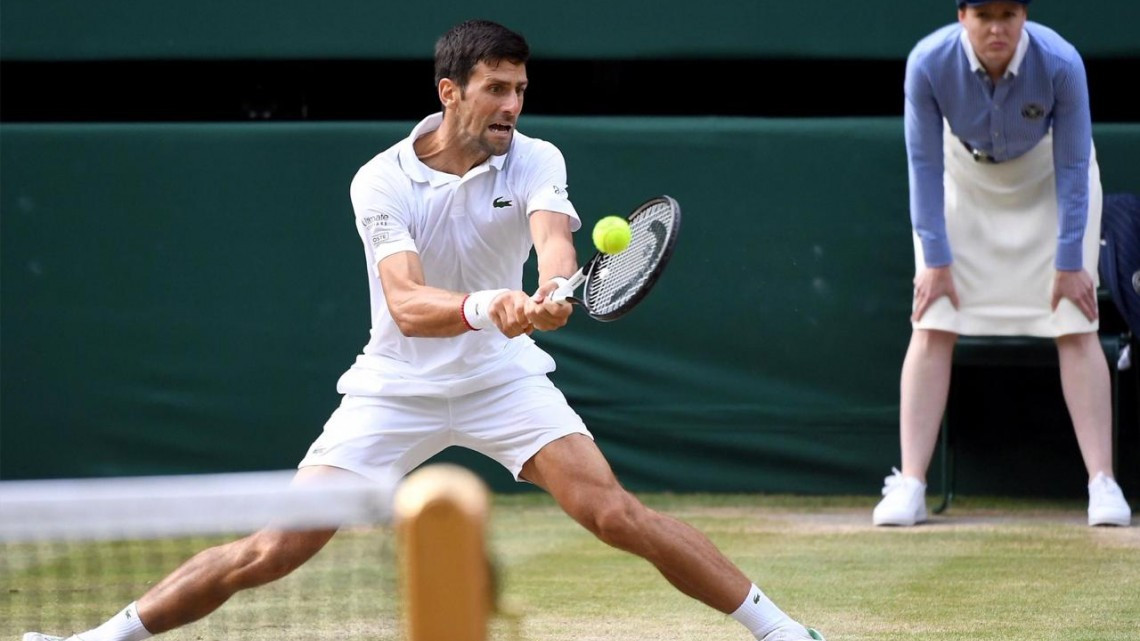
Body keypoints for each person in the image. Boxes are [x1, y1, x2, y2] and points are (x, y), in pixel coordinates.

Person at [24, 19, 825, 641]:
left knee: (616, 513)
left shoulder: (536, 157)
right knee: (275, 548)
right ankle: (106, 634)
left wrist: (548, 291)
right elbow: (407, 302)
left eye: (520, 89)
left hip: (501, 379)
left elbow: (555, 241)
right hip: (395, 385)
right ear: (450, 92)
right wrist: (487, 305)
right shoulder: (380, 178)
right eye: (496, 90)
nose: (512, 105)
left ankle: (782, 629)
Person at [872, 0, 1132, 528]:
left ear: (1024, 16)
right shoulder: (927, 62)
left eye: (1008, 14)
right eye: (984, 14)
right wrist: (936, 257)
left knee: (1077, 320)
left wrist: (1068, 260)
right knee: (932, 320)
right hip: (961, 181)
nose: (997, 28)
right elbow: (922, 164)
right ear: (961, 15)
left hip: (1051, 181)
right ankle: (912, 483)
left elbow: (1076, 164)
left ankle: (1103, 483)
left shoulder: (1061, 61)